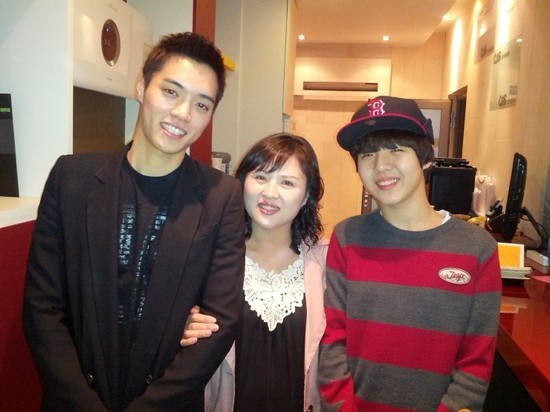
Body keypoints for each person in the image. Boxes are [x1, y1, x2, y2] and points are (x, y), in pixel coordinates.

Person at [23, 32, 246, 411]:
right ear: (142, 86)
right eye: (171, 92)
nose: (183, 113)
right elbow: (42, 307)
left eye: (201, 104)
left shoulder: (221, 196)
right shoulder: (71, 179)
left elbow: (220, 321)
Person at [318, 96, 502, 412]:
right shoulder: (347, 237)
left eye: (396, 150)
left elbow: (475, 362)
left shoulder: (477, 248)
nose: (381, 166)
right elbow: (333, 341)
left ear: (426, 159)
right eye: (368, 154)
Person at [182, 133, 328, 411]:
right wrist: (183, 327)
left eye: (287, 182)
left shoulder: (327, 261)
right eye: (260, 177)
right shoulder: (210, 255)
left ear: (307, 195)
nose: (270, 193)